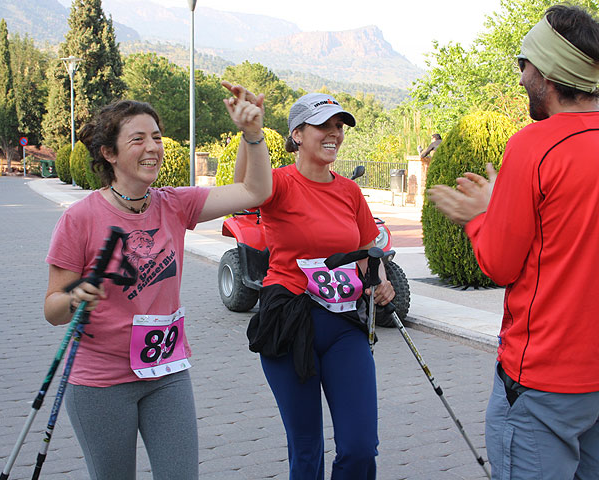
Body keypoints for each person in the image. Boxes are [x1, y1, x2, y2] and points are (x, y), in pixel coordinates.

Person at [43, 82, 272, 480]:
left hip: (166, 372)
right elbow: (53, 310)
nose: (153, 147)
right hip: (101, 381)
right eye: (138, 139)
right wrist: (75, 297)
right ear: (109, 153)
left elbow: (255, 191)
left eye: (157, 137)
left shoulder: (175, 204)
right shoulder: (80, 218)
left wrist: (252, 134)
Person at [428, 5, 599, 479]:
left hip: (543, 383)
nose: (521, 76)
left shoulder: (534, 145)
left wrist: (480, 215)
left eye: (524, 64)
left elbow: (499, 265)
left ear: (548, 71)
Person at [238, 92, 395, 479]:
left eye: (339, 126)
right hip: (289, 322)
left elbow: (366, 248)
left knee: (360, 449)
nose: (334, 134)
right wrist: (248, 133)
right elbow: (243, 184)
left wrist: (381, 279)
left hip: (344, 326)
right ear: (297, 133)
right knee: (307, 449)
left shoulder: (349, 191)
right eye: (323, 125)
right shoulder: (278, 184)